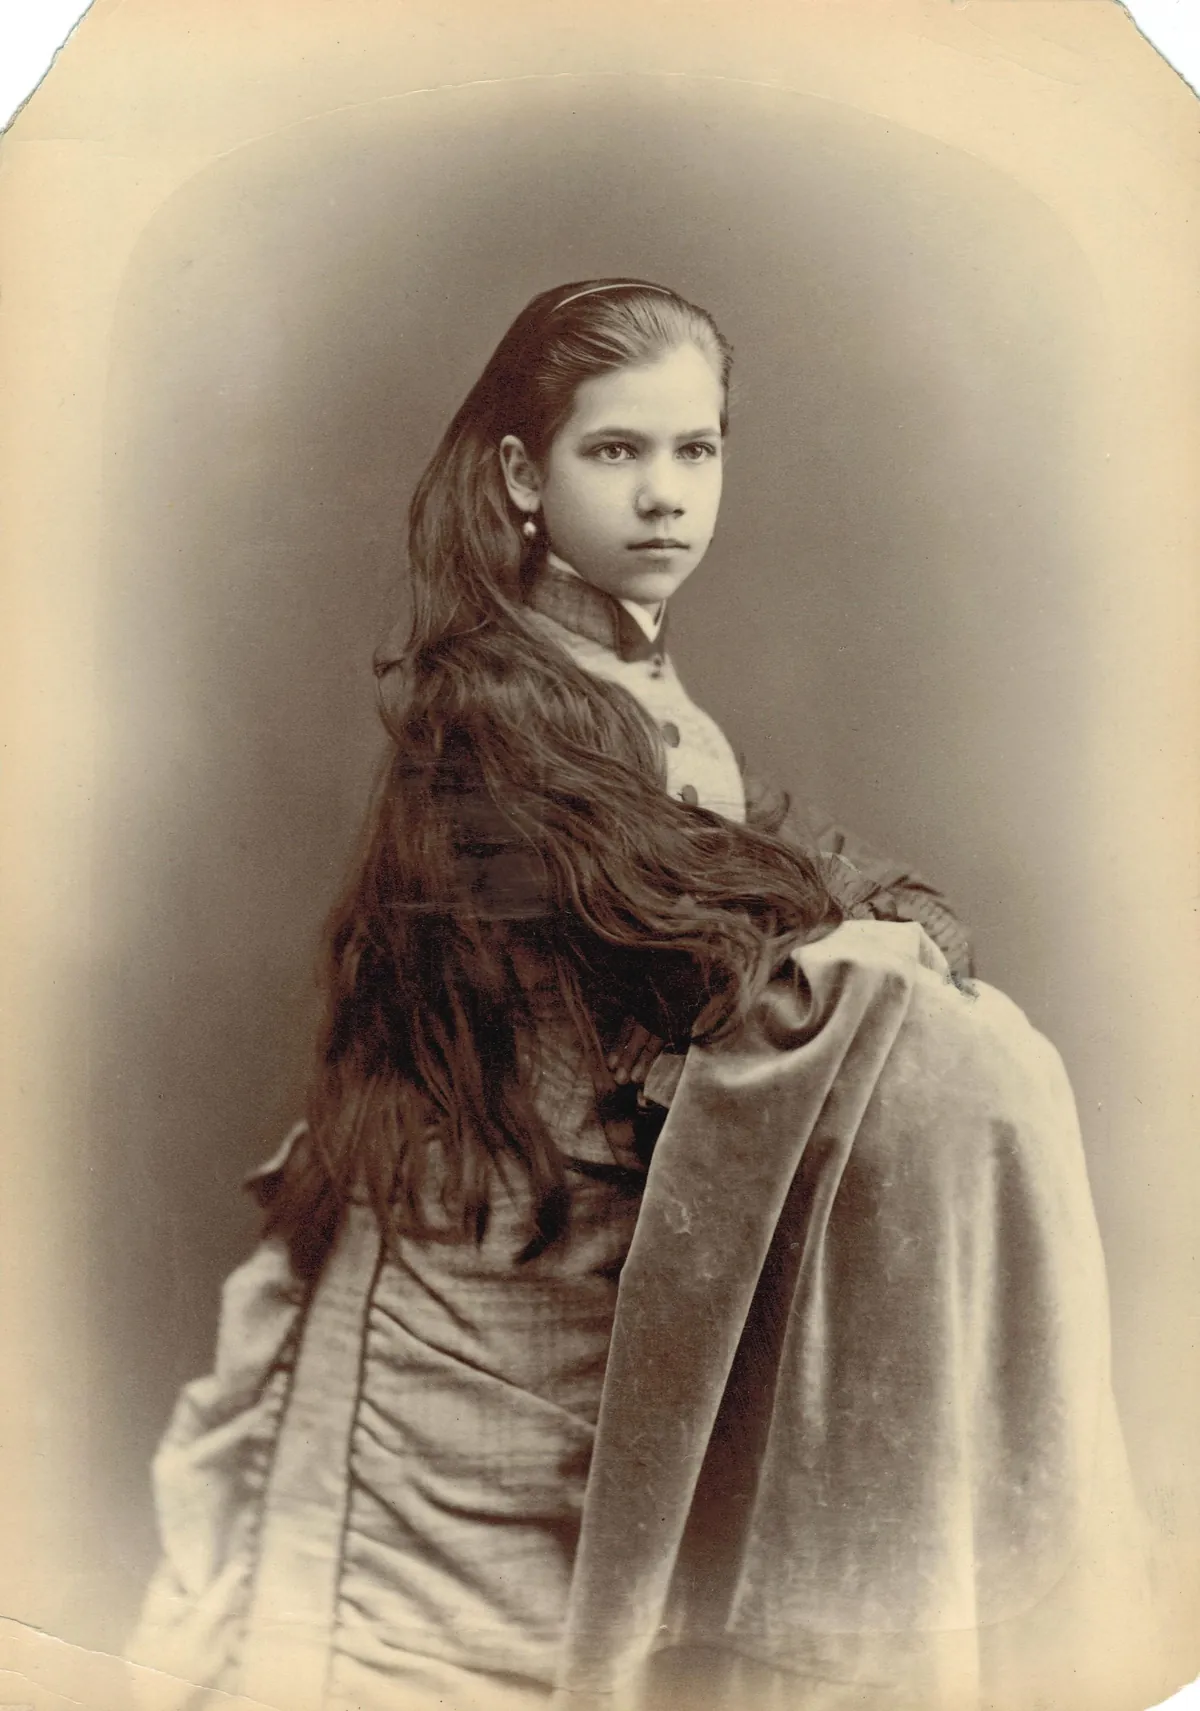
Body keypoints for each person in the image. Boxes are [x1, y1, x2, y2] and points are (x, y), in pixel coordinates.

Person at [127, 281, 1154, 1711]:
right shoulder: (489, 706)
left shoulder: (619, 672)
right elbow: (650, 905)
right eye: (616, 451)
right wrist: (858, 942)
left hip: (591, 1239)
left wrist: (874, 905)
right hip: (486, 1251)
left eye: (696, 449)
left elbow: (744, 834)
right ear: (521, 475)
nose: (666, 492)